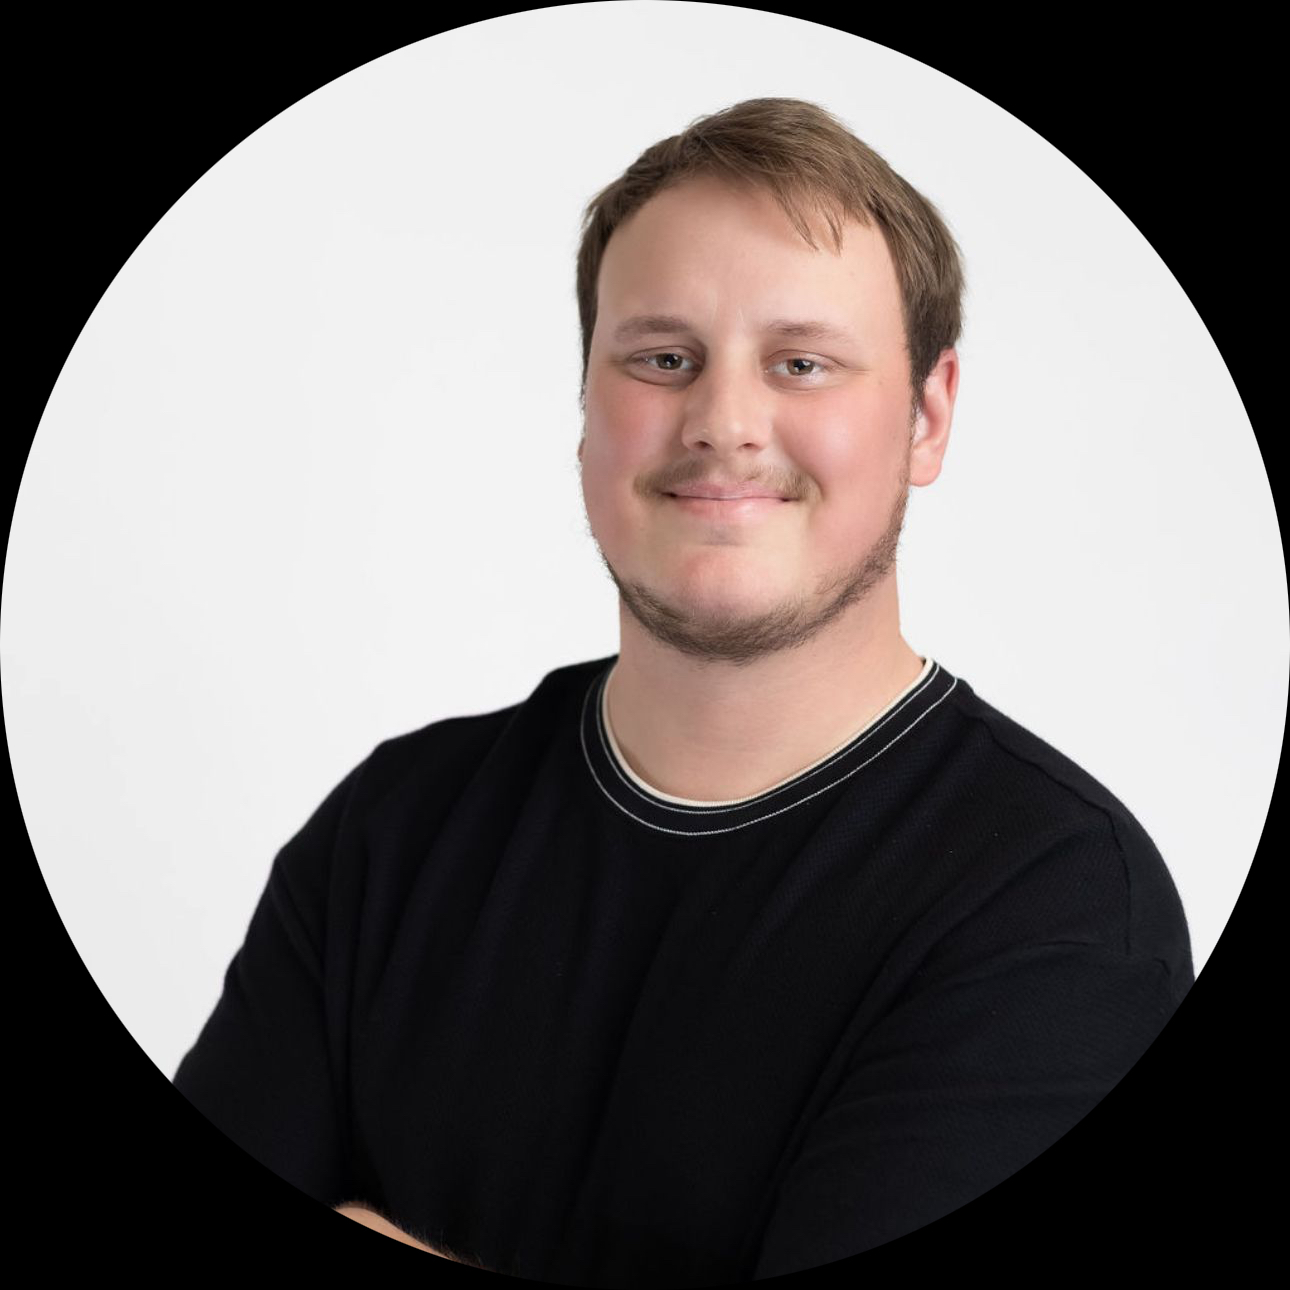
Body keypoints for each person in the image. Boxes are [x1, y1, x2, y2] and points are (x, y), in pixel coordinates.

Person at [172, 97, 1193, 1283]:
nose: (723, 422)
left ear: (927, 415)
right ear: (587, 408)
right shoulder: (394, 828)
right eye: (663, 359)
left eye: (802, 363)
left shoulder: (1057, 908)